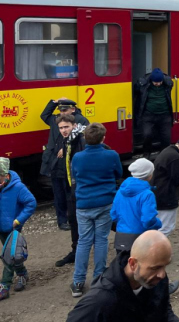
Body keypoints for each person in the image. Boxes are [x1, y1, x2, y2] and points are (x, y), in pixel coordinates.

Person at [66, 230, 179, 322]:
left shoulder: (156, 279)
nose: (162, 274)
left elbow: (164, 312)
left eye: (165, 266)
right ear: (133, 264)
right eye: (155, 268)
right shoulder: (100, 301)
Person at [70, 122, 123, 298]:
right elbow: (118, 174)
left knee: (84, 241)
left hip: (84, 204)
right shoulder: (111, 155)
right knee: (101, 240)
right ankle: (98, 277)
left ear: (85, 138)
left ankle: (77, 282)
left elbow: (75, 175)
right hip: (105, 202)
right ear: (103, 138)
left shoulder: (77, 157)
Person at [40, 97, 88, 230]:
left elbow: (83, 136)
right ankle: (62, 221)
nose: (62, 112)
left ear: (73, 109)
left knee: (70, 194)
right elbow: (44, 116)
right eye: (60, 110)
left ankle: (72, 219)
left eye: (65, 109)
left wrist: (66, 146)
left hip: (69, 163)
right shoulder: (56, 120)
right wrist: (53, 103)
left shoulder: (81, 120)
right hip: (55, 163)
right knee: (59, 194)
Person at [53, 114, 88, 268]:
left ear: (74, 125)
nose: (63, 130)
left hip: (81, 189)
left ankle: (129, 239)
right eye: (61, 128)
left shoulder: (80, 139)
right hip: (72, 188)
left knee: (103, 219)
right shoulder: (68, 140)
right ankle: (75, 251)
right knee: (73, 219)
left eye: (66, 127)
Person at [0, 157, 36, 301]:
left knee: (9, 256)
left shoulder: (18, 187)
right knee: (12, 254)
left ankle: (4, 285)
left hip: (12, 228)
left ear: (4, 175)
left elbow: (31, 203)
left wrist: (18, 221)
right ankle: (22, 274)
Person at [111, 159, 161, 254]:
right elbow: (148, 220)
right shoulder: (147, 194)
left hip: (121, 236)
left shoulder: (120, 191)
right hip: (141, 237)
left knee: (124, 267)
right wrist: (158, 223)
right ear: (150, 175)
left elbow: (114, 214)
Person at [152, 135, 179, 238]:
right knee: (165, 228)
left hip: (157, 192)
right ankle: (157, 251)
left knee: (157, 225)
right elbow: (178, 177)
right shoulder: (175, 157)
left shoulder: (167, 151)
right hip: (166, 195)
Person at [136, 69, 174, 156]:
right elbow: (136, 91)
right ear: (151, 80)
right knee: (147, 135)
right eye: (155, 82)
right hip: (148, 115)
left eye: (160, 82)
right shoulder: (144, 84)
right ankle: (146, 153)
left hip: (164, 115)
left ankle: (164, 154)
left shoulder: (168, 83)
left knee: (166, 137)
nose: (158, 84)